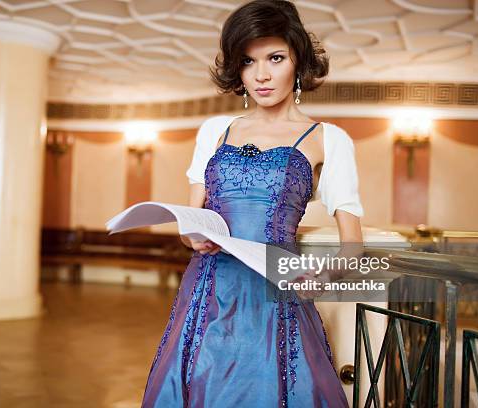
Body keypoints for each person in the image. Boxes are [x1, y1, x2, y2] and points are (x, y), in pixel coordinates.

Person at [142, 1, 363, 406]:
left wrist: (323, 277)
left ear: (297, 61)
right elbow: (196, 216)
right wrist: (191, 234)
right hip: (209, 291)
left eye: (275, 58)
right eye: (248, 61)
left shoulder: (329, 139)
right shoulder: (214, 130)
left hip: (276, 293)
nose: (261, 74)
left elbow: (353, 243)